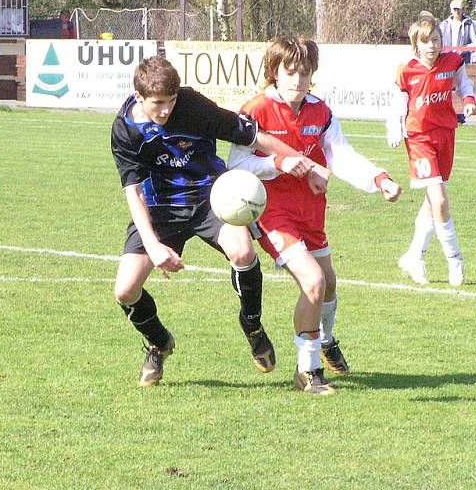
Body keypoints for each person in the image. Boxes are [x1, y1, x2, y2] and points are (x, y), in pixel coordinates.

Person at [111, 56, 329, 388]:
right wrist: (154, 246)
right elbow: (134, 194)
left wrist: (304, 164)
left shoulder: (193, 105)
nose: (167, 110)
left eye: (171, 101)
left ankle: (252, 324)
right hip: (160, 208)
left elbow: (255, 137)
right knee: (125, 290)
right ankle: (159, 342)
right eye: (158, 104)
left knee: (242, 252)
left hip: (211, 197)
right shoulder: (125, 129)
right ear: (139, 97)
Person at [228, 36, 402, 395]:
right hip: (273, 215)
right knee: (313, 281)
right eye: (289, 72)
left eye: (304, 73)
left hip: (311, 212)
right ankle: (307, 372)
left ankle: (324, 339)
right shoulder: (256, 111)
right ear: (274, 72)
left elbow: (341, 154)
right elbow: (237, 164)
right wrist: (281, 162)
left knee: (329, 284)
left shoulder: (320, 112)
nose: (297, 79)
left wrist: (379, 178)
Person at [387, 11, 476, 287]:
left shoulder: (452, 61)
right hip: (419, 138)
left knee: (430, 201)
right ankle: (454, 259)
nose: (432, 46)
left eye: (436, 40)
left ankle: (413, 255)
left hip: (445, 134)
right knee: (438, 200)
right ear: (417, 44)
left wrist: (469, 99)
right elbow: (398, 101)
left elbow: (463, 83)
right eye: (426, 41)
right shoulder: (407, 70)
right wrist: (393, 127)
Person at [439, 0, 476, 64]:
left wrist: (464, 49)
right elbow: (439, 42)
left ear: (462, 10)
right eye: (455, 9)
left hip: (463, 61)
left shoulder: (469, 24)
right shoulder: (444, 24)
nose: (457, 12)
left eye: (459, 9)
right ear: (451, 10)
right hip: (446, 60)